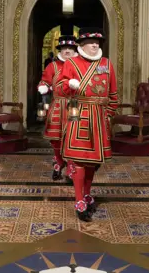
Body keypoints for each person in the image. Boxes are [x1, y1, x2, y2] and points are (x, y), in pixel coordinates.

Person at [57, 27, 118, 221]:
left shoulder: (107, 64)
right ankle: (78, 200)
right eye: (91, 42)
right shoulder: (71, 63)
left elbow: (113, 94)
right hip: (79, 114)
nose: (95, 45)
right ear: (81, 45)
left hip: (100, 117)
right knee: (78, 159)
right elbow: (60, 89)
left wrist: (108, 115)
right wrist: (69, 85)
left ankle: (86, 193)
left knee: (92, 161)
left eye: (97, 42)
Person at [38, 35, 78, 180]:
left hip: (75, 104)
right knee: (56, 137)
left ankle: (72, 164)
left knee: (73, 137)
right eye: (64, 48)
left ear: (75, 50)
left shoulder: (80, 65)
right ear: (60, 49)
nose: (67, 50)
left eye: (70, 48)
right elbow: (44, 81)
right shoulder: (52, 66)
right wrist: (43, 87)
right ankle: (59, 160)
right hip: (57, 104)